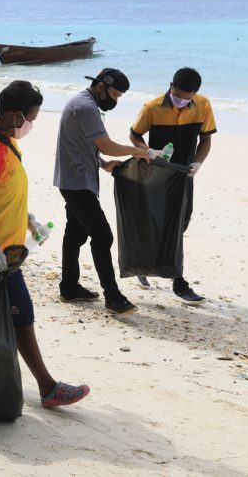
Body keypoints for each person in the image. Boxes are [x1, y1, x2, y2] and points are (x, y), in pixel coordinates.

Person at [0, 80, 90, 408]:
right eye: (31, 117)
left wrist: (27, 218)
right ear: (17, 116)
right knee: (21, 316)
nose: (32, 124)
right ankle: (48, 388)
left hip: (7, 251)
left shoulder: (5, 144)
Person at [53, 69, 150, 315]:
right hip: (76, 182)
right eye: (114, 94)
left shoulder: (85, 104)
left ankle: (69, 286)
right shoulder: (86, 107)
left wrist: (104, 164)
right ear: (100, 87)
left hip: (76, 177)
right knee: (103, 236)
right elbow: (106, 145)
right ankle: (113, 296)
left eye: (119, 96)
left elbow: (84, 144)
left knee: (75, 233)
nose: (115, 100)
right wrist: (139, 151)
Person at [128, 67, 217, 303]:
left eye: (187, 98)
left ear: (195, 94)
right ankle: (178, 282)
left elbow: (206, 139)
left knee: (182, 223)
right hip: (157, 174)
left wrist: (198, 163)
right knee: (159, 223)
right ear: (170, 85)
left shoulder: (204, 105)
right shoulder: (152, 107)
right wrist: (147, 150)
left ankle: (149, 264)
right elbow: (134, 134)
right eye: (178, 95)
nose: (181, 101)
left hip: (185, 175)